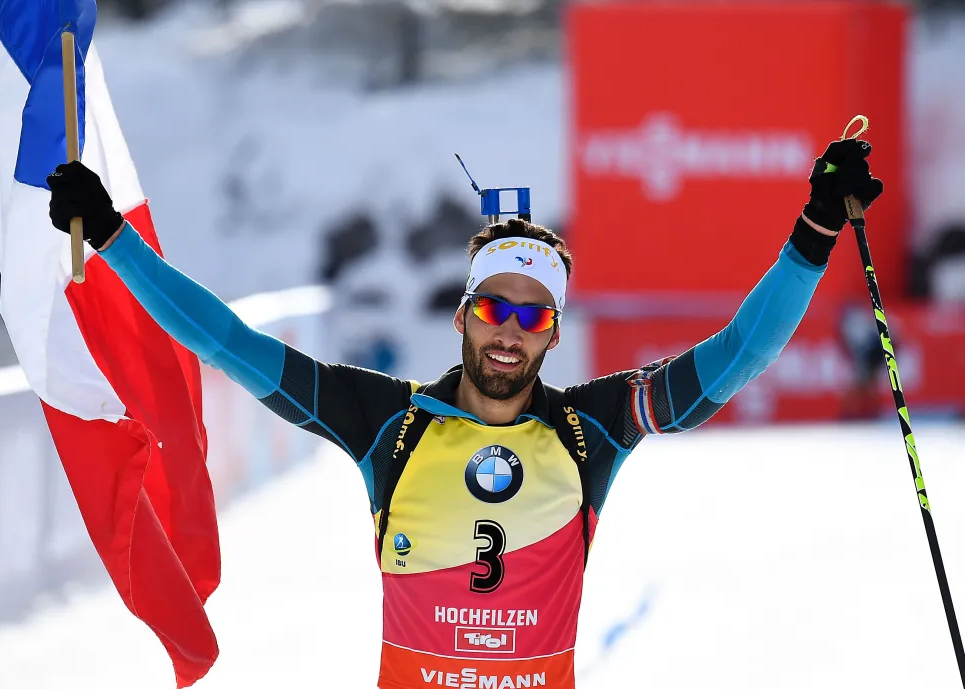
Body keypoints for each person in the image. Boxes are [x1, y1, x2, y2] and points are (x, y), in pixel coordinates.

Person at [46, 137, 883, 689]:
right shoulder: (383, 421)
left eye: (532, 315)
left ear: (553, 330)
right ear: (461, 314)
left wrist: (813, 228)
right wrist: (116, 237)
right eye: (494, 308)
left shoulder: (591, 428)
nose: (509, 333)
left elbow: (738, 354)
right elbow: (226, 341)